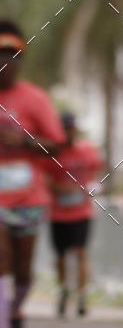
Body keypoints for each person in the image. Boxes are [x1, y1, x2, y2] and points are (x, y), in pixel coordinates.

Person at [0, 19, 66, 328]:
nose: (4, 60)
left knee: (22, 266)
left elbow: (57, 145)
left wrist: (24, 141)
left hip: (28, 198)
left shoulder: (35, 99)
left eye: (11, 54)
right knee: (1, 257)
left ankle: (14, 309)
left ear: (20, 59)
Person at [45, 111, 104, 318]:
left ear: (75, 129)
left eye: (70, 128)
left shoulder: (88, 151)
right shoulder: (51, 154)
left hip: (82, 212)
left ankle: (81, 296)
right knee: (61, 256)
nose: (67, 132)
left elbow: (97, 174)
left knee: (81, 253)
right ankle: (63, 291)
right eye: (63, 129)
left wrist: (93, 187)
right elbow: (44, 179)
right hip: (58, 214)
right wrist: (59, 188)